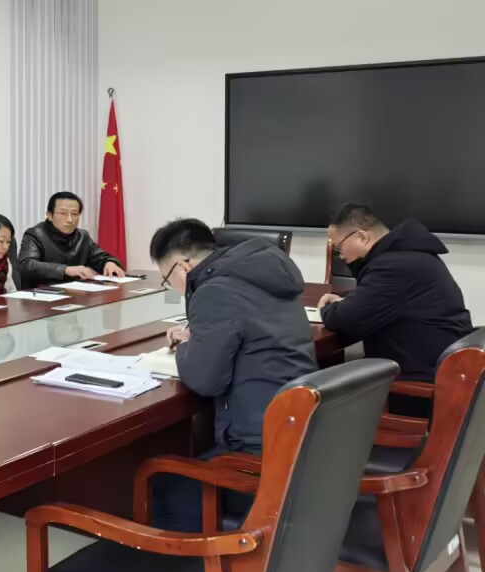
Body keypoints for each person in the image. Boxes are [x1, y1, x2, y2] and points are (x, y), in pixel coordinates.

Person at [148, 218, 318, 532]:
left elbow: (205, 380)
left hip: (257, 452)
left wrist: (185, 348)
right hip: (300, 436)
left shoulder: (214, 291)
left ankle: (195, 562)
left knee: (161, 486)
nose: (173, 287)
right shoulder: (267, 276)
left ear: (183, 267)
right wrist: (200, 338)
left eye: (167, 279)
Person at [318, 204, 472, 391]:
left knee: (325, 387)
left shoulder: (392, 266)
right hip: (440, 368)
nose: (340, 255)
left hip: (420, 385)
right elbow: (376, 299)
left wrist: (325, 309)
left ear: (362, 237)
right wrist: (347, 302)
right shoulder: (410, 254)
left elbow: (346, 321)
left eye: (339, 247)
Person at [19, 191, 125, 288]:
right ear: (50, 215)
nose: (70, 220)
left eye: (74, 214)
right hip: (42, 296)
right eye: (63, 213)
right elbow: (27, 265)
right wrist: (65, 270)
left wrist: (109, 263)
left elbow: (100, 257)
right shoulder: (36, 234)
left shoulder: (83, 236)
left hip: (77, 294)